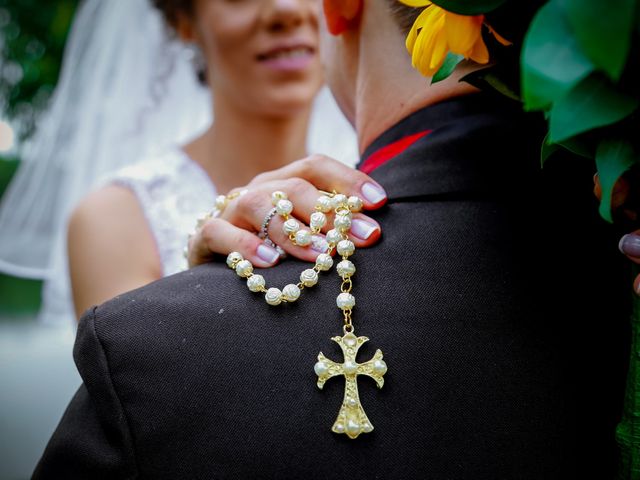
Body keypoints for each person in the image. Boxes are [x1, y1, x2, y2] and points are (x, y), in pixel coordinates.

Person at [33, 0, 629, 478]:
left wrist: (194, 316)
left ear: (335, 9)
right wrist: (207, 292)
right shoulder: (617, 241)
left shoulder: (154, 344)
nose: (286, 13)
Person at [0, 0, 359, 324]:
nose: (286, 9)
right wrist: (207, 285)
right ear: (183, 22)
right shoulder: (116, 219)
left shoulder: (368, 182)